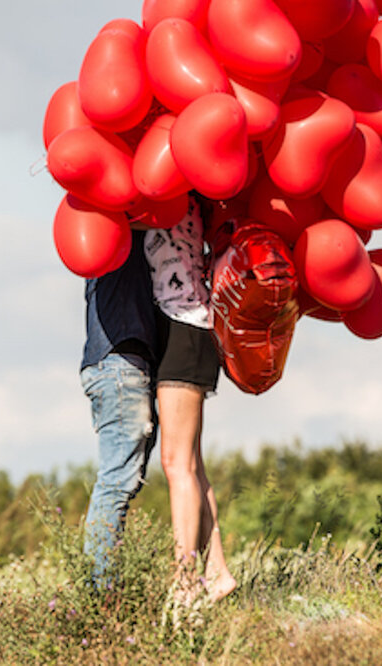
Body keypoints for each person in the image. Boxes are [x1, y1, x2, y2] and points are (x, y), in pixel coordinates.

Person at [144, 194, 237, 606]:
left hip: (185, 325)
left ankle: (184, 580)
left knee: (176, 463)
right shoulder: (182, 194)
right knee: (191, 464)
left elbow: (126, 219)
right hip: (186, 324)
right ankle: (217, 571)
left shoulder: (169, 195)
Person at [80, 226, 166, 587]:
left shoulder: (110, 235)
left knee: (121, 482)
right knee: (116, 483)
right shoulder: (118, 226)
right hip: (120, 367)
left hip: (119, 366)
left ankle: (102, 586)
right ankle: (100, 593)